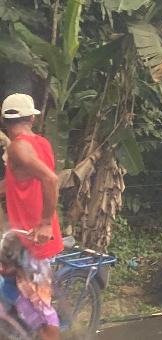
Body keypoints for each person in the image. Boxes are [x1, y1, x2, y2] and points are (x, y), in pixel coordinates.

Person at [0, 93, 63, 340]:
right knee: (16, 288)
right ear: (32, 119)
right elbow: (18, 181)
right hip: (22, 239)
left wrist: (45, 222)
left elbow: (50, 179)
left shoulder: (18, 147)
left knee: (41, 313)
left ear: (4, 121)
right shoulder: (40, 143)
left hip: (32, 240)